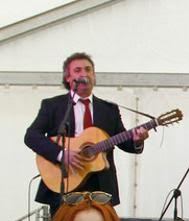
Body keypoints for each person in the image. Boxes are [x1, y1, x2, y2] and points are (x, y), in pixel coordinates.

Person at [24, 52, 148, 211]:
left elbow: (125, 143)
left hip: (100, 185)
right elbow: (32, 136)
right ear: (68, 78)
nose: (84, 74)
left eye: (88, 69)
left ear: (94, 76)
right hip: (65, 179)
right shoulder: (53, 106)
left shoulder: (109, 109)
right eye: (78, 70)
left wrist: (137, 140)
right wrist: (62, 154)